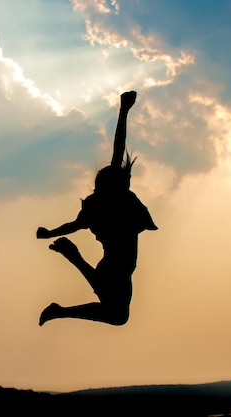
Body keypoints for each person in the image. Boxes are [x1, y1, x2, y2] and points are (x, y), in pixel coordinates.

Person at [37, 91, 157, 326]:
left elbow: (118, 149)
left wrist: (49, 233)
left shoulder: (107, 203)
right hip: (116, 269)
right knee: (118, 315)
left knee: (116, 314)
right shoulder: (113, 202)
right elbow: (118, 149)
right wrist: (124, 110)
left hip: (114, 269)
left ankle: (69, 274)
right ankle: (73, 260)